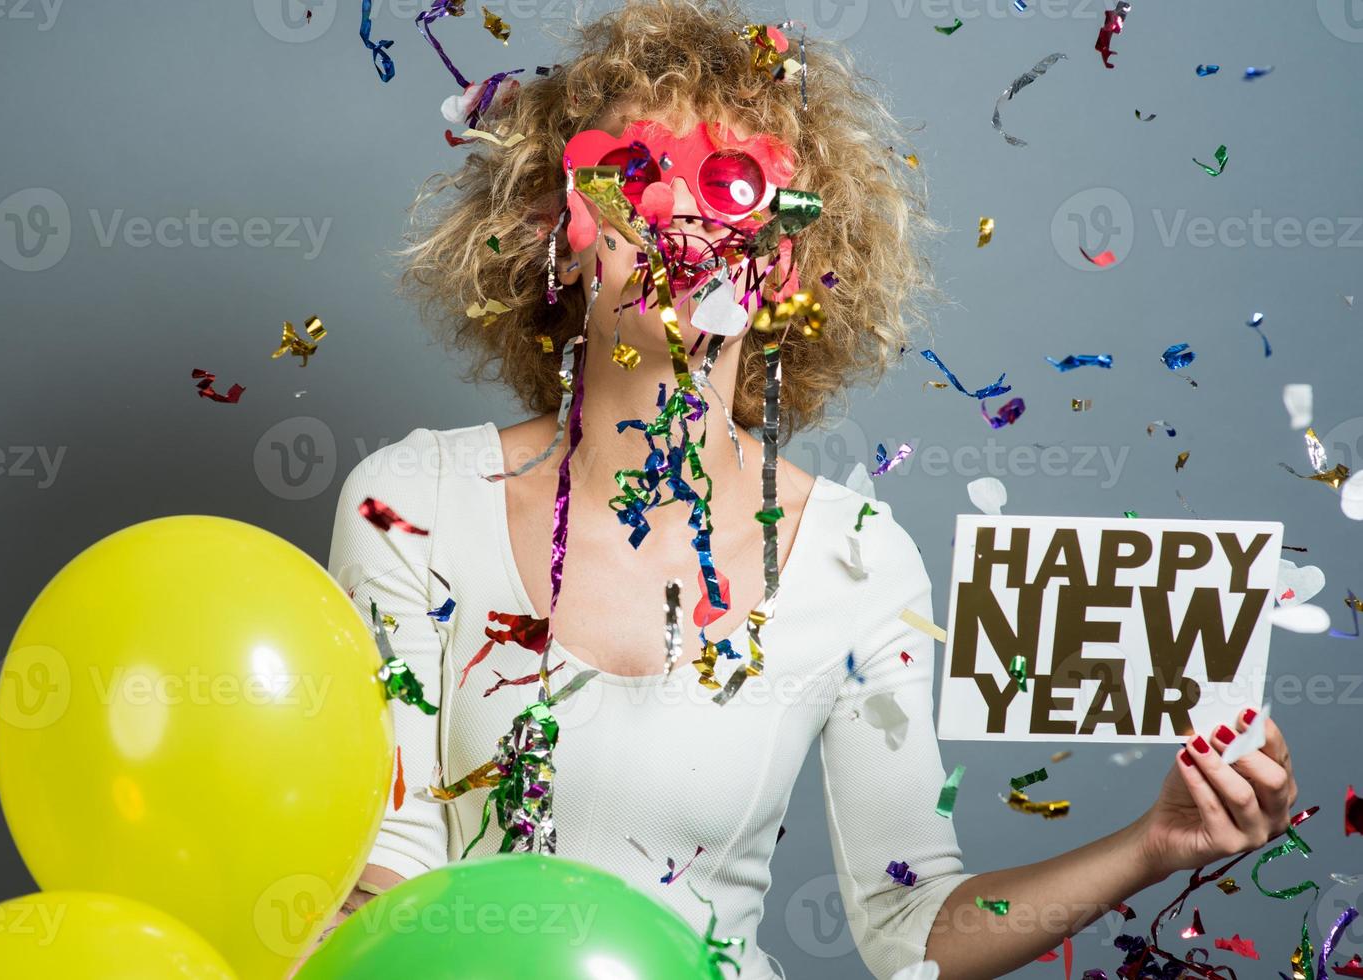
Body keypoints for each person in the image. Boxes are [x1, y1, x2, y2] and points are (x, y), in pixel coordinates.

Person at [318, 2, 1300, 977]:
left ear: (784, 257)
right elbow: (391, 873)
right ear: (554, 230)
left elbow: (907, 919)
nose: (686, 213)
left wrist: (1151, 841)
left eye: (733, 183)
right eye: (635, 176)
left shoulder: (857, 556)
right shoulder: (411, 501)